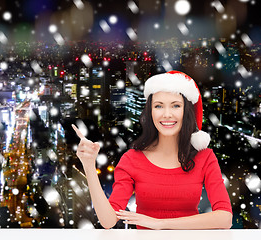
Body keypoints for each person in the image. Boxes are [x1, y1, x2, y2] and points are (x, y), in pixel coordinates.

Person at [72, 70, 233, 230]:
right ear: (150, 112)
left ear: (187, 111)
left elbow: (225, 218)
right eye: (158, 106)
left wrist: (160, 224)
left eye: (176, 105)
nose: (167, 114)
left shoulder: (205, 157)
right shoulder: (132, 159)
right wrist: (89, 165)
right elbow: (109, 221)